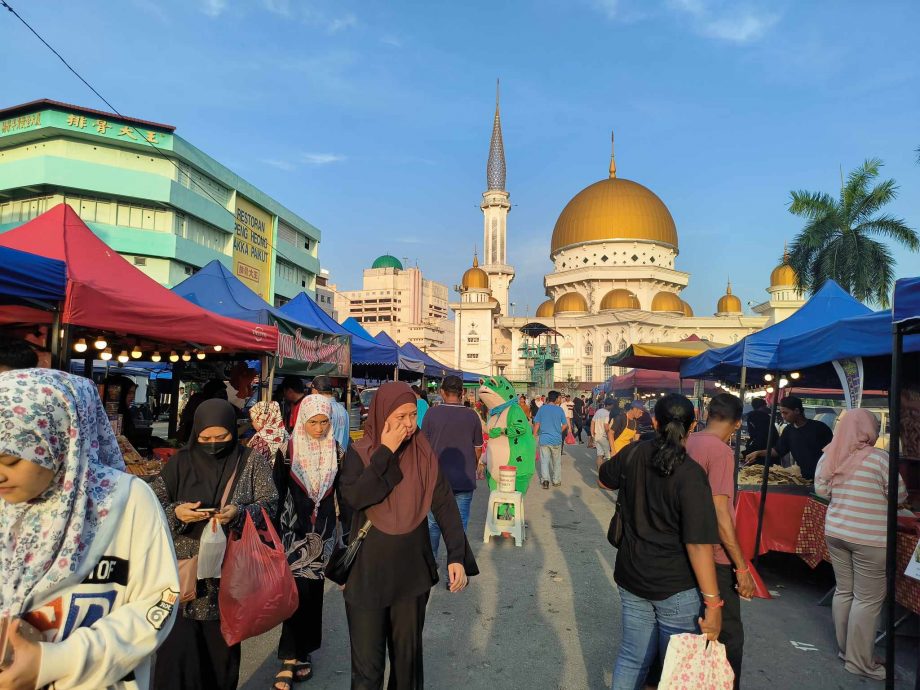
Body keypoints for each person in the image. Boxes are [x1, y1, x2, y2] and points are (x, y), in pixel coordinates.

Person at [0, 369, 179, 690]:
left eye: (11, 460)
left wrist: (53, 661)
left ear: (58, 441)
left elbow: (159, 601)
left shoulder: (126, 500)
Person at [339, 381, 478, 689]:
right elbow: (357, 498)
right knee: (367, 671)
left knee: (406, 666)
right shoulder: (359, 454)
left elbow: (444, 503)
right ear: (381, 415)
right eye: (399, 417)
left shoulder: (423, 454)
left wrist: (456, 555)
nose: (407, 425)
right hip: (367, 574)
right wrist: (385, 452)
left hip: (411, 573)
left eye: (412, 415)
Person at [598, 394, 722, 690]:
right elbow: (698, 545)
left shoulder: (634, 454)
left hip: (632, 574)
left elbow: (604, 479)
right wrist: (714, 604)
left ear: (654, 421)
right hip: (675, 586)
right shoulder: (691, 474)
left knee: (632, 656)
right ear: (692, 426)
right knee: (677, 666)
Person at [152, 399, 278, 690]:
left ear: (233, 432)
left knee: (219, 656)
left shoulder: (250, 461)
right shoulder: (180, 462)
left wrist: (239, 513)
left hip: (229, 576)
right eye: (205, 438)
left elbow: (270, 504)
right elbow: (153, 503)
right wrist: (177, 513)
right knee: (176, 656)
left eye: (221, 438)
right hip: (180, 578)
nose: (212, 444)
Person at [814, 409, 907, 681]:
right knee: (867, 600)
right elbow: (899, 496)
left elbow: (822, 491)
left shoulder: (829, 455)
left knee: (844, 592)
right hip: (870, 539)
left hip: (836, 532)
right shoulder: (880, 459)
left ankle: (848, 651)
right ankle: (859, 661)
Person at [271, 395, 350, 689]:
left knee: (313, 594)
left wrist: (348, 537)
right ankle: (289, 657)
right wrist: (271, 537)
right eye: (313, 422)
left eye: (324, 422)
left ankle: (303, 652)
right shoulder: (287, 451)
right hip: (292, 533)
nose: (318, 428)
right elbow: (276, 494)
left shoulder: (338, 452)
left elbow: (345, 496)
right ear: (302, 421)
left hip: (323, 535)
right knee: (293, 594)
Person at [686, 393, 756, 688]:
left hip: (687, 549)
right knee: (728, 635)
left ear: (707, 413)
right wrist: (741, 566)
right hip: (714, 555)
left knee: (695, 624)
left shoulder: (689, 441)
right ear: (737, 423)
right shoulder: (721, 451)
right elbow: (720, 513)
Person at [422, 375, 484, 557]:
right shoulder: (472, 416)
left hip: (436, 481)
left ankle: (430, 565)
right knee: (460, 525)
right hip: (464, 480)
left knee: (433, 524)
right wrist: (472, 465)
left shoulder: (431, 414)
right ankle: (455, 571)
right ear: (462, 392)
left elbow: (423, 448)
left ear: (442, 392)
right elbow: (478, 449)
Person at [745, 396, 833, 480]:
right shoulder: (789, 430)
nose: (783, 416)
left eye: (786, 413)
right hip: (803, 477)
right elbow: (777, 451)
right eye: (782, 412)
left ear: (797, 411)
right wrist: (758, 453)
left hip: (823, 476)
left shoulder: (820, 428)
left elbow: (833, 453)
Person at [533, 390, 569, 489]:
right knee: (556, 461)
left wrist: (534, 436)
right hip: (556, 440)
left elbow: (537, 424)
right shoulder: (559, 410)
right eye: (559, 398)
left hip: (544, 439)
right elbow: (565, 424)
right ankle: (556, 481)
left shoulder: (542, 409)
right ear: (556, 398)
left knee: (544, 461)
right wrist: (558, 431)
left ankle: (545, 481)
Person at [176, 379, 229, 444]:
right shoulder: (202, 402)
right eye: (220, 393)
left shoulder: (198, 398)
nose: (223, 396)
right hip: (192, 434)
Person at [311, 375, 350, 449]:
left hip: (327, 458)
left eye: (311, 390)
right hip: (343, 458)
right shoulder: (343, 410)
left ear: (315, 391)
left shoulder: (320, 410)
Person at [248, 400, 289, 466]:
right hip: (281, 472)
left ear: (262, 419)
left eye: (254, 419)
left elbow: (250, 463)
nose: (253, 423)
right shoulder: (285, 433)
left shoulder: (259, 439)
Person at [592, 397, 615, 467]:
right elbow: (606, 427)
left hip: (597, 436)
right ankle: (607, 473)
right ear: (610, 405)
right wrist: (609, 437)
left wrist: (592, 434)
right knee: (609, 456)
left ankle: (599, 475)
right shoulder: (607, 414)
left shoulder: (598, 411)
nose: (613, 406)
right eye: (612, 405)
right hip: (603, 437)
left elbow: (592, 422)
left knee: (600, 455)